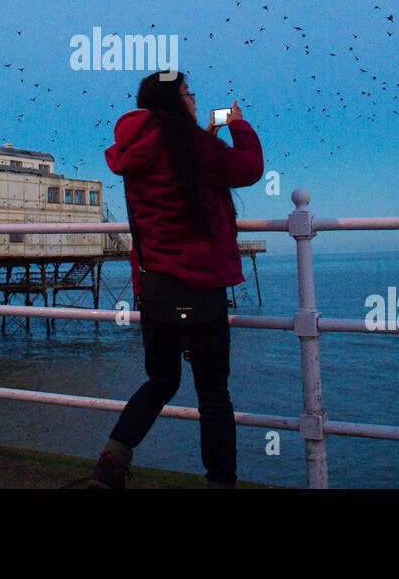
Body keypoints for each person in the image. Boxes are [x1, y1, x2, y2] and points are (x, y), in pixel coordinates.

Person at [88, 69, 263, 488]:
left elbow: (174, 173)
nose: (195, 100)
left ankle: (110, 467)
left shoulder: (137, 145)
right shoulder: (194, 146)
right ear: (173, 100)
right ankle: (221, 482)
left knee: (161, 381)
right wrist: (237, 124)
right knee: (214, 396)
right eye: (189, 93)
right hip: (201, 288)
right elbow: (249, 168)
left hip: (155, 288)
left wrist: (202, 138)